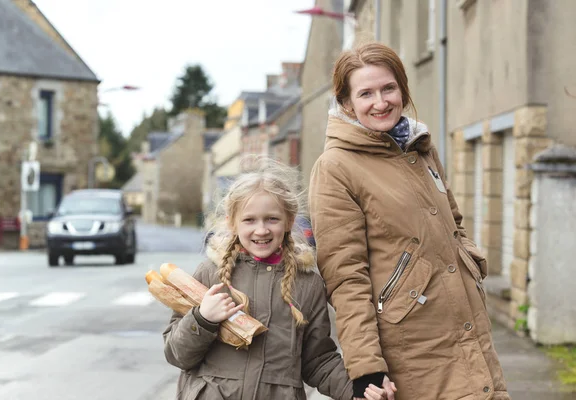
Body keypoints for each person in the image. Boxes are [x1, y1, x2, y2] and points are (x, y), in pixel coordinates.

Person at [308, 42, 511, 400]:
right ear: (346, 103)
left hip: (466, 324)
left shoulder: (419, 148)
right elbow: (345, 276)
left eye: (388, 88)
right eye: (366, 93)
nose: (381, 101)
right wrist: (366, 368)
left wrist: (469, 262)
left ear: (402, 88)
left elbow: (454, 223)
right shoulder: (336, 167)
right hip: (412, 345)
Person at [163, 158, 385, 400]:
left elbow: (318, 360)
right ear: (232, 223)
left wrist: (356, 391)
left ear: (289, 221)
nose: (261, 230)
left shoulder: (307, 285)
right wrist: (202, 319)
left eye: (272, 219)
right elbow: (177, 354)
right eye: (249, 220)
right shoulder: (210, 274)